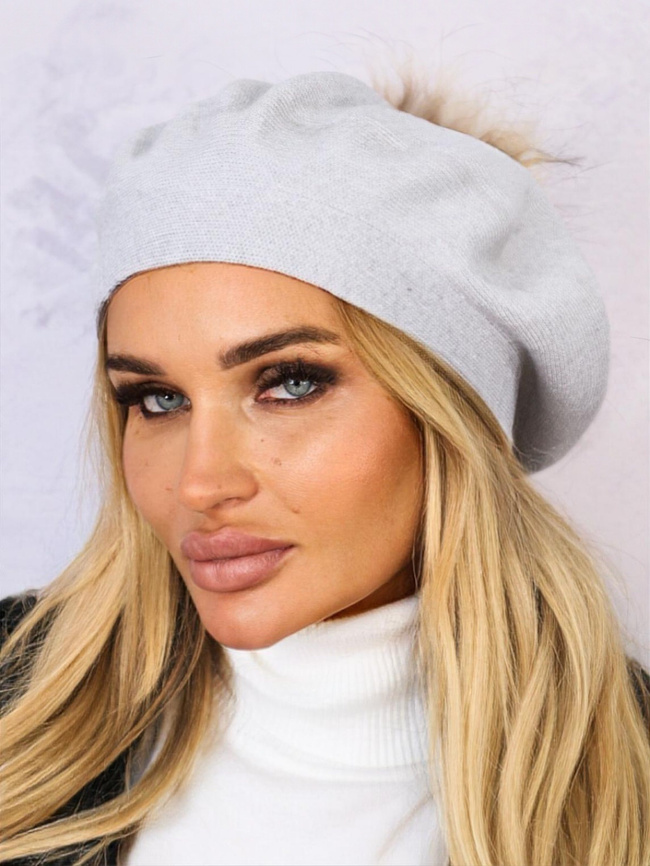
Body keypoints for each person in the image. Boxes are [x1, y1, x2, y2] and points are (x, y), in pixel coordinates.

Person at [1, 61, 649, 866]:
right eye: (157, 399)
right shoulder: (14, 695)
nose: (199, 484)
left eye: (290, 384)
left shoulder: (631, 782)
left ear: (449, 417)